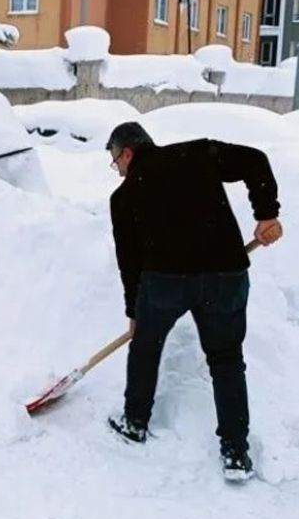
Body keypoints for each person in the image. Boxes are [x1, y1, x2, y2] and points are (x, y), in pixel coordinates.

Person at [104, 121, 283, 481]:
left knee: (146, 347)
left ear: (127, 152)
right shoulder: (197, 153)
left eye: (115, 162)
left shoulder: (123, 198)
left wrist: (134, 312)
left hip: (164, 282)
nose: (117, 171)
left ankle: (135, 422)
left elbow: (130, 262)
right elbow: (255, 161)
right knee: (227, 360)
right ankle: (235, 452)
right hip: (225, 276)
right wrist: (266, 213)